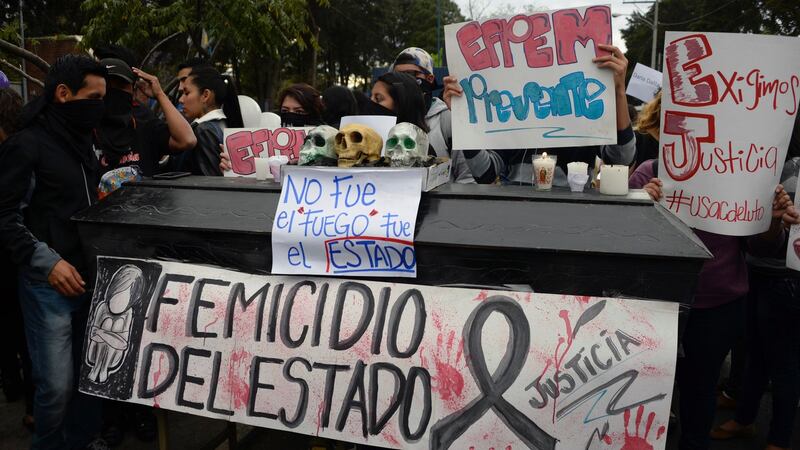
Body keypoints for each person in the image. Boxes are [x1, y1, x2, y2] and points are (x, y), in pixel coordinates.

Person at [630, 160, 798, 450]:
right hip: (656, 303)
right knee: (643, 385)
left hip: (717, 305)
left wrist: (769, 220)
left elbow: (761, 247)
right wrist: (639, 203)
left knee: (700, 389)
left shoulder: (740, 179)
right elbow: (621, 234)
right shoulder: (649, 171)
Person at [0, 54, 108, 449]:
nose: (99, 106)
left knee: (90, 380)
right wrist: (48, 263)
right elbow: (5, 217)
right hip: (49, 285)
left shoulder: (84, 141)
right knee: (57, 387)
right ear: (63, 94)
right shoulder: (26, 145)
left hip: (92, 280)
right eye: (93, 97)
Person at [710, 115, 800, 450]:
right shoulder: (759, 167)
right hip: (754, 270)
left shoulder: (791, 171)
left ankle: (778, 437)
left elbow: (779, 237)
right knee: (756, 354)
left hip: (785, 277)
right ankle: (746, 419)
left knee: (784, 362)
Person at [442, 44, 636, 186]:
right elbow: (485, 173)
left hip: (575, 215)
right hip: (514, 215)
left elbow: (621, 160)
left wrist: (618, 91)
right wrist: (462, 118)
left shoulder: (584, 110)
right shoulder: (510, 113)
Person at [93, 58, 196, 177]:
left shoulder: (145, 126)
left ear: (133, 89)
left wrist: (159, 94)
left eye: (121, 85)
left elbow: (187, 140)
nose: (115, 91)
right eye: (108, 85)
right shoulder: (84, 131)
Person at [0, 87, 35, 433]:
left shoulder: (14, 152)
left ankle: (30, 403)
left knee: (17, 333)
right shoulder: (26, 148)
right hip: (17, 259)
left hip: (14, 258)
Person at [390, 47, 477, 183]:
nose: (403, 81)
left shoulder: (447, 118)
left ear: (429, 78)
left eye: (411, 74)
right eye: (396, 76)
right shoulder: (388, 118)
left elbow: (468, 176)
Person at [179, 65, 244, 176]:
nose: (181, 100)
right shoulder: (223, 124)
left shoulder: (204, 131)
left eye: (186, 93)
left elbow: (210, 182)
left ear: (205, 95)